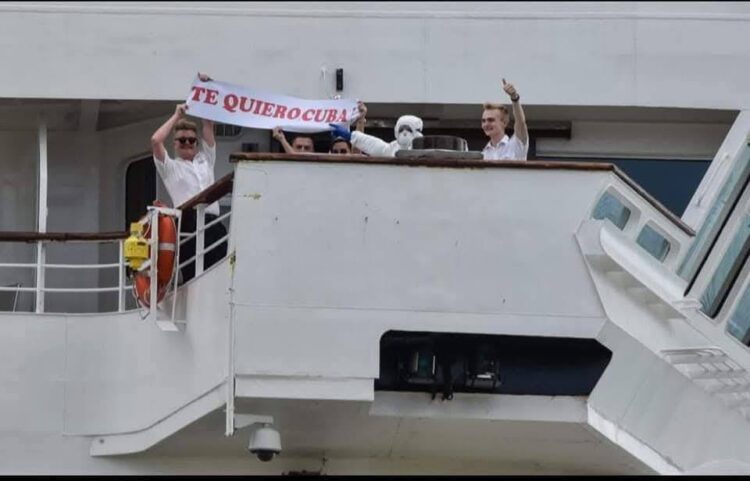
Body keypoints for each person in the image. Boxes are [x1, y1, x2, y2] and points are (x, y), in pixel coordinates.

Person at [150, 76, 227, 283]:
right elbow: (156, 140)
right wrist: (177, 115)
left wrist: (206, 89)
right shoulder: (170, 168)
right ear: (175, 144)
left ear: (196, 143)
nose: (187, 143)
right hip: (189, 227)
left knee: (221, 276)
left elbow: (208, 124)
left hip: (214, 224)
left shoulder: (206, 159)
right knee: (194, 278)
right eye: (182, 140)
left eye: (191, 140)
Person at [330, 103, 423, 157]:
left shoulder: (424, 149)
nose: (405, 133)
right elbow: (373, 145)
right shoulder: (392, 149)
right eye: (401, 129)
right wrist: (351, 136)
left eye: (409, 130)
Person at [481, 78, 528, 161]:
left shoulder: (516, 145)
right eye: (483, 121)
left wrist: (514, 98)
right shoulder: (483, 154)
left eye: (491, 120)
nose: (486, 124)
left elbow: (520, 122)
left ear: (504, 123)